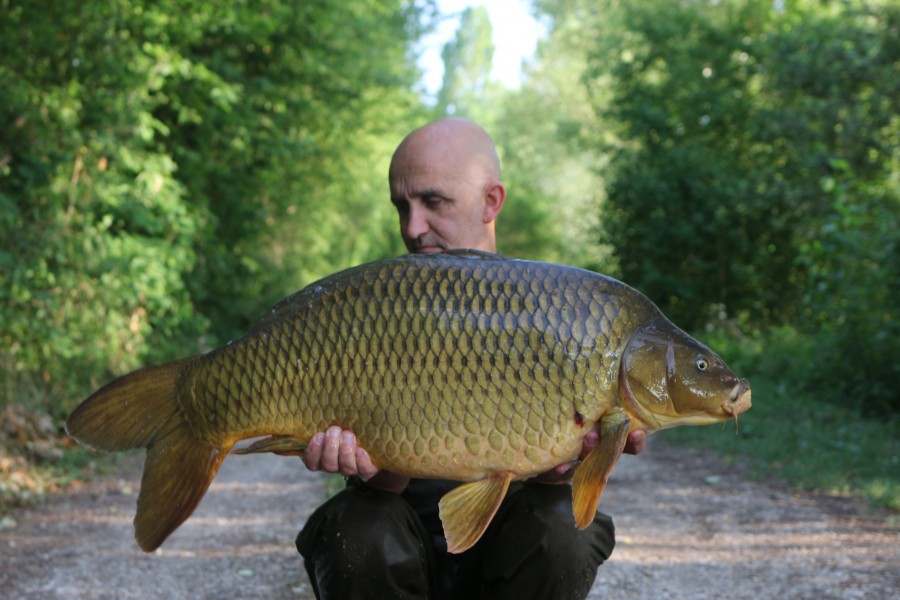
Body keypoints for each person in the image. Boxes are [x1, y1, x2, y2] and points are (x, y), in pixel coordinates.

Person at [296, 117, 647, 599]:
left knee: (563, 524)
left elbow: (557, 488)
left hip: (504, 558)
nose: (413, 227)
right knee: (358, 525)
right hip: (403, 546)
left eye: (433, 202)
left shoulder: (552, 315)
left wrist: (561, 467)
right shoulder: (378, 309)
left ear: (491, 201)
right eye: (403, 206)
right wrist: (373, 472)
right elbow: (384, 486)